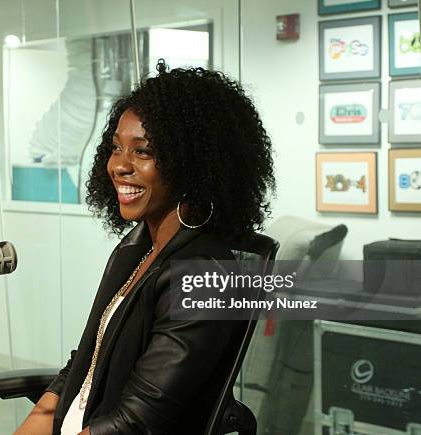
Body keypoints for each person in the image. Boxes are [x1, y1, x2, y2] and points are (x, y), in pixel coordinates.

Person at [14, 59, 275, 435]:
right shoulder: (136, 249)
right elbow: (88, 362)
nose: (120, 166)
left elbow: (135, 423)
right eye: (117, 148)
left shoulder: (204, 277)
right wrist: (39, 418)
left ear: (192, 163)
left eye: (143, 152)